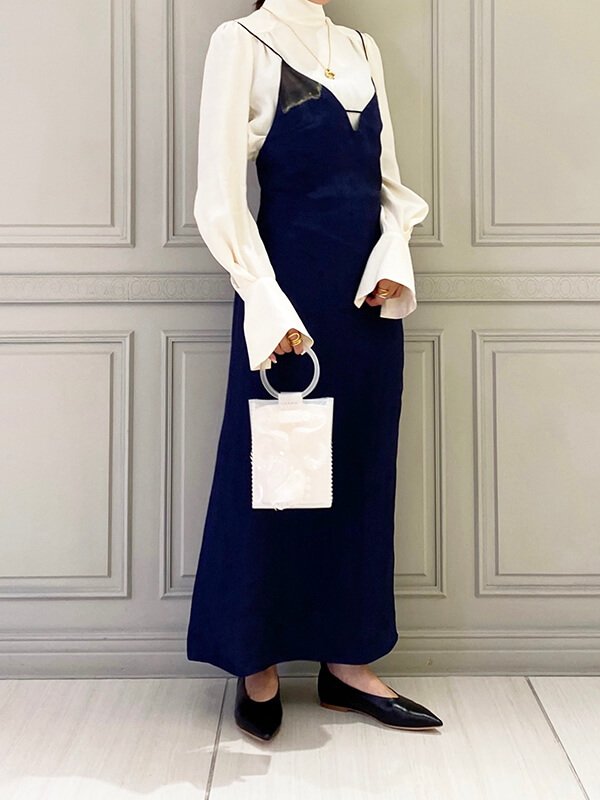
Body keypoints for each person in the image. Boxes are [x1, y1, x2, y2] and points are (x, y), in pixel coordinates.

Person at [186, 0, 443, 741]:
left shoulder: (361, 46)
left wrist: (393, 260)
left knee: (360, 470)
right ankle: (257, 660)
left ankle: (347, 664)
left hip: (367, 296)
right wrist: (266, 303)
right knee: (274, 477)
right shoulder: (241, 42)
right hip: (286, 293)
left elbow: (390, 185)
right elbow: (219, 195)